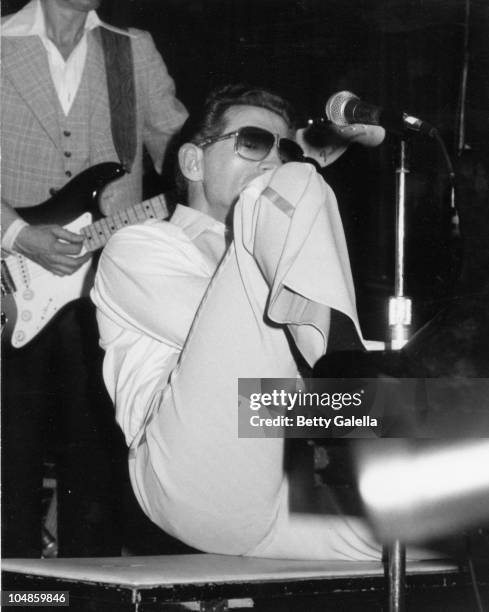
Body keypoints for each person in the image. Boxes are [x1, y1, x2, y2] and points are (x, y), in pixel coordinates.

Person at [92, 84, 433, 560]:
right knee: (294, 185)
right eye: (252, 142)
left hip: (286, 475)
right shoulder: (138, 246)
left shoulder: (277, 243)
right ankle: (359, 394)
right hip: (199, 473)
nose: (272, 160)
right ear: (192, 162)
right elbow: (248, 349)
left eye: (284, 148)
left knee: (441, 535)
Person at [1, 0, 187, 558]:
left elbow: (184, 151)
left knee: (99, 462)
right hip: (10, 283)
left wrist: (271, 152)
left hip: (107, 289)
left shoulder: (131, 48)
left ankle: (87, 597)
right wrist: (15, 235)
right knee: (8, 459)